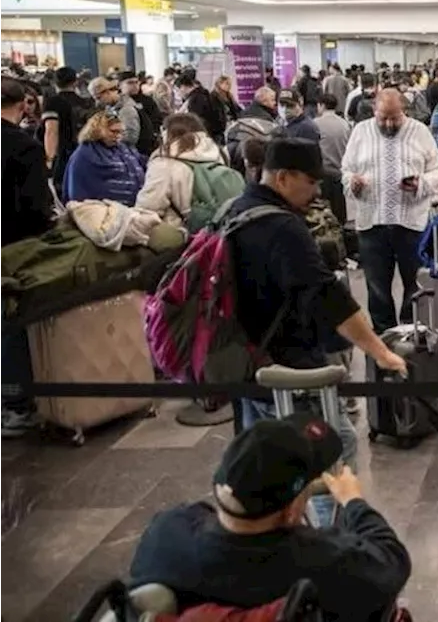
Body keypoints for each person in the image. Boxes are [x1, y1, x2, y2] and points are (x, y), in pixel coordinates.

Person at [224, 138, 407, 522]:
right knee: (332, 452)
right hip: (290, 366)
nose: (317, 190)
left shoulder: (237, 210)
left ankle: (273, 540)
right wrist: (381, 352)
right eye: (311, 181)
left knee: (265, 465)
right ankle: (332, 547)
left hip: (245, 363)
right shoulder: (281, 227)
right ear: (284, 177)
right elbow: (329, 298)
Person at [129, 414, 411, 620]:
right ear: (290, 512)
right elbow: (393, 561)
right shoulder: (325, 562)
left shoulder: (164, 535)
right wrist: (353, 501)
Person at [343, 90, 438, 334]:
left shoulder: (420, 131)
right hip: (371, 224)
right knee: (377, 288)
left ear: (404, 112)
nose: (388, 124)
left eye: (394, 118)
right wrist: (352, 182)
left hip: (411, 224)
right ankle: (385, 338)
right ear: (374, 112)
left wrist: (420, 183)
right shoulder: (360, 132)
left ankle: (412, 335)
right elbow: (345, 170)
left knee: (415, 284)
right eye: (383, 118)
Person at [0, 77, 53, 437]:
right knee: (10, 326)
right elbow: (36, 210)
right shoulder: (24, 148)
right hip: (11, 248)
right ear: (23, 106)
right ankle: (16, 407)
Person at [135, 113, 240, 228]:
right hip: (220, 231)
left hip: (182, 235)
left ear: (166, 133)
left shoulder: (165, 164)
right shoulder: (217, 153)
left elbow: (149, 208)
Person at [64, 109, 146, 206]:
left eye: (120, 132)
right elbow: (78, 190)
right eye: (113, 131)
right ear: (98, 129)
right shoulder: (84, 155)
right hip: (101, 213)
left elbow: (142, 163)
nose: (118, 136)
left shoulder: (125, 149)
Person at [41, 65, 93, 196]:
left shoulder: (52, 102)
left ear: (54, 82)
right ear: (75, 82)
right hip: (86, 152)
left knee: (63, 192)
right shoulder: (87, 102)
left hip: (63, 155)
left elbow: (51, 131)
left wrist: (49, 159)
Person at [225, 85, 282, 171]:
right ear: (264, 101)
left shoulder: (244, 113)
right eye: (272, 100)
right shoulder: (267, 120)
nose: (275, 103)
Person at [314, 93, 351, 224]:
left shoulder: (315, 124)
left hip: (323, 172)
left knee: (324, 213)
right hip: (340, 172)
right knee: (340, 211)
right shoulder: (344, 124)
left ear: (321, 105)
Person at [88, 75, 142, 150]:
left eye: (98, 98)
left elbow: (131, 138)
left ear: (107, 92)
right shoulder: (110, 108)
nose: (97, 102)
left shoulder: (126, 109)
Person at [121, 70, 161, 157]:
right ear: (120, 85)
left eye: (136, 82)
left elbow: (157, 119)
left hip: (146, 145)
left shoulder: (147, 100)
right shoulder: (119, 103)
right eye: (130, 83)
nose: (135, 85)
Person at [175, 72, 221, 139]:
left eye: (179, 89)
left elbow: (197, 120)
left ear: (183, 86)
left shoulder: (195, 99)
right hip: (212, 133)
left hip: (205, 135)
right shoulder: (205, 94)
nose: (179, 92)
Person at [210, 75, 241, 142]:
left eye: (230, 84)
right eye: (227, 83)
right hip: (221, 126)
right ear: (219, 84)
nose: (229, 85)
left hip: (232, 122)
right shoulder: (213, 97)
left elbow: (237, 109)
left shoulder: (229, 96)